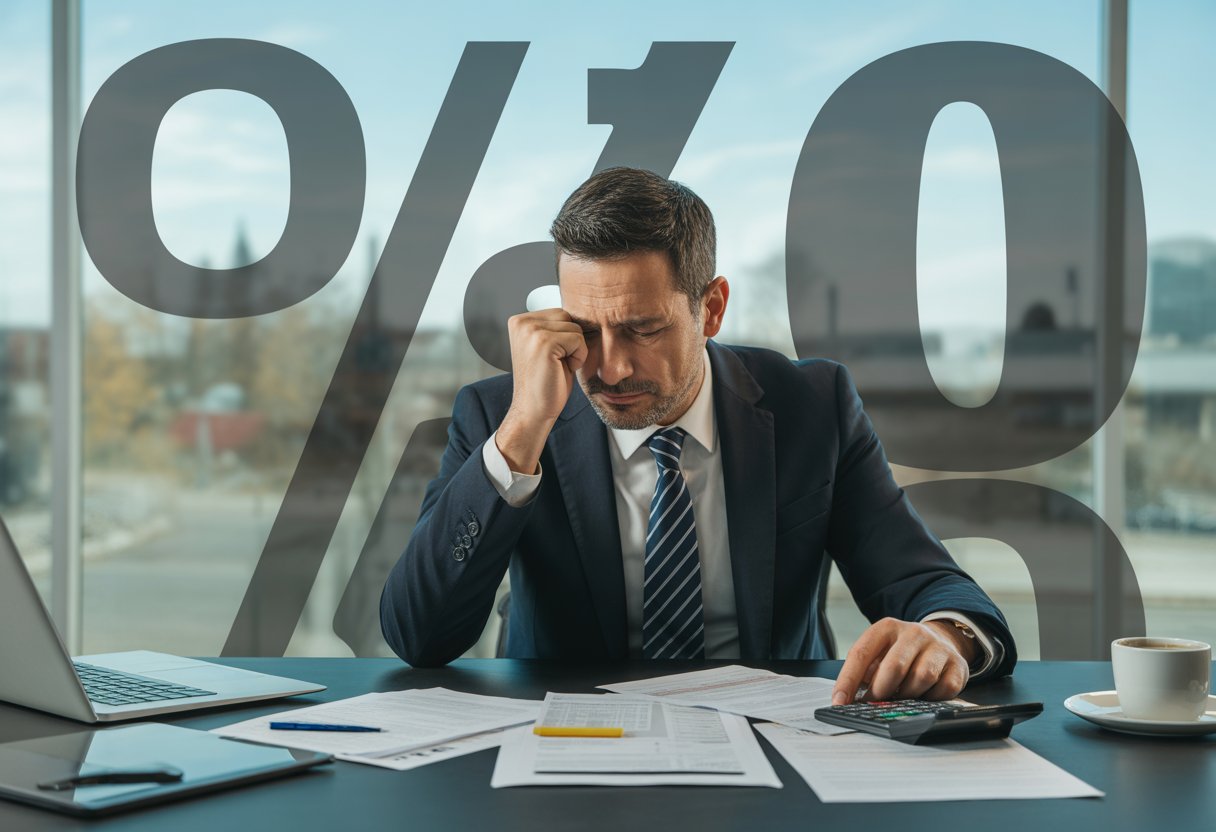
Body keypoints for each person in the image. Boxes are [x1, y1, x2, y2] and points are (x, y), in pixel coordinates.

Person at [381, 166, 1016, 704]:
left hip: (773, 732)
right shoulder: (503, 415)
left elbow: (922, 579)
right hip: (568, 740)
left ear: (710, 309)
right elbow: (418, 635)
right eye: (587, 331)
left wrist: (944, 636)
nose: (610, 369)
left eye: (642, 329)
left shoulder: (812, 406)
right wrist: (522, 433)